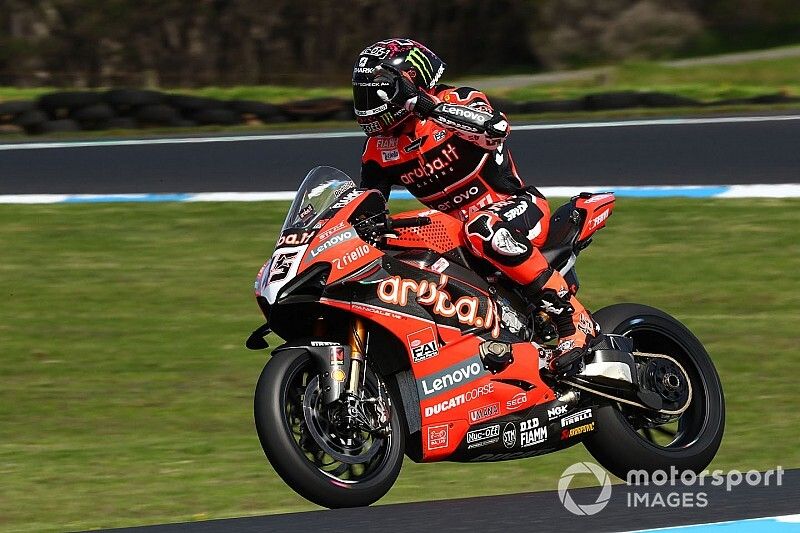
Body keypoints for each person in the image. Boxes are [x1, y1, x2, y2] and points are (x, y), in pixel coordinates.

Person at [353, 38, 597, 375]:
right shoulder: (378, 149)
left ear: (408, 80)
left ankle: (573, 320)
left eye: (375, 94)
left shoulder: (457, 100)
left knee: (482, 228)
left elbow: (495, 129)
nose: (366, 105)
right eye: (361, 95)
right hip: (454, 233)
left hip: (516, 208)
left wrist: (425, 105)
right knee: (397, 248)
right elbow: (366, 205)